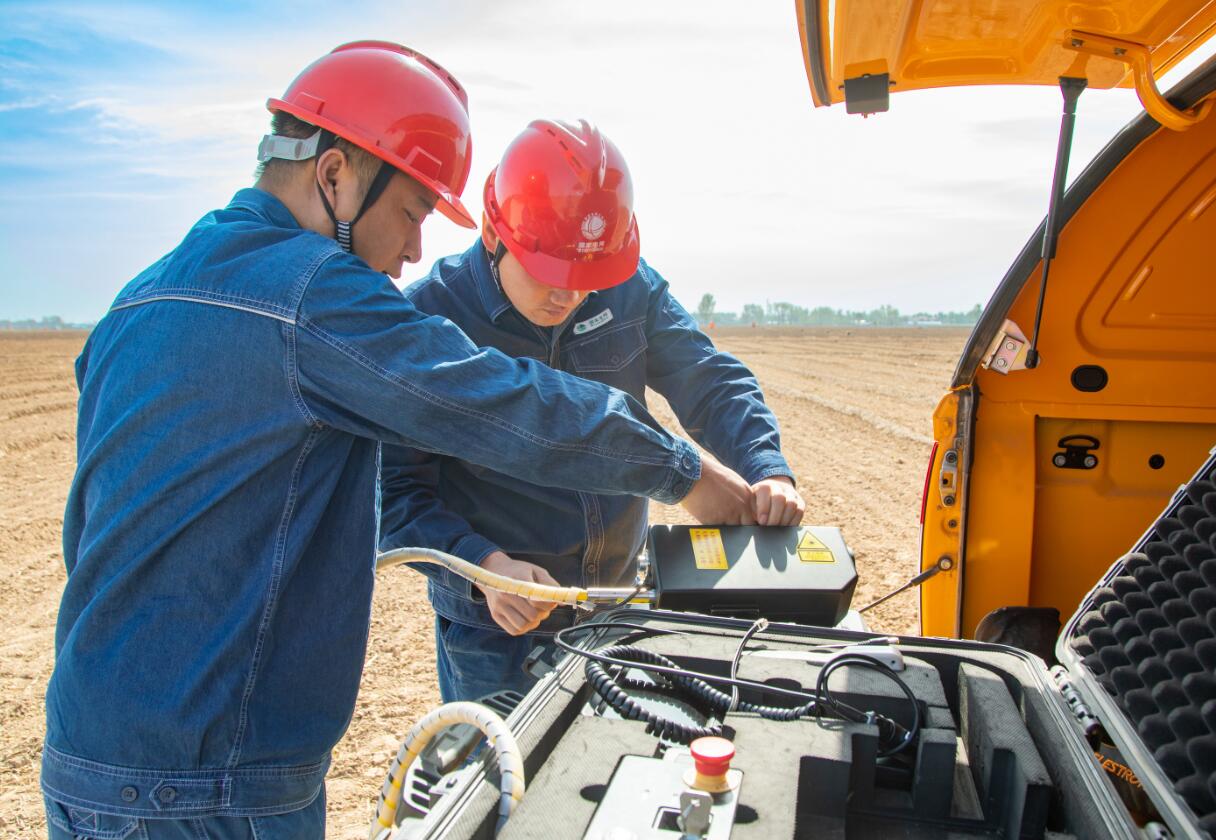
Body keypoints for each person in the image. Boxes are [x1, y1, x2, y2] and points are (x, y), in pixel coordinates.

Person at [42, 44, 751, 840]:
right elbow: (501, 402)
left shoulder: (140, 297)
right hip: (211, 783)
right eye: (412, 212)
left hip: (89, 756)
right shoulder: (313, 295)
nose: (415, 251)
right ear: (336, 174)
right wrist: (683, 471)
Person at [380, 120, 805, 703]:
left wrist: (765, 465)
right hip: (498, 630)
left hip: (617, 601)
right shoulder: (432, 317)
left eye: (588, 278)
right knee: (503, 785)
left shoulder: (627, 286)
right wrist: (481, 567)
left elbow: (708, 378)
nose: (570, 296)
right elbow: (396, 488)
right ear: (491, 231)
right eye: (550, 273)